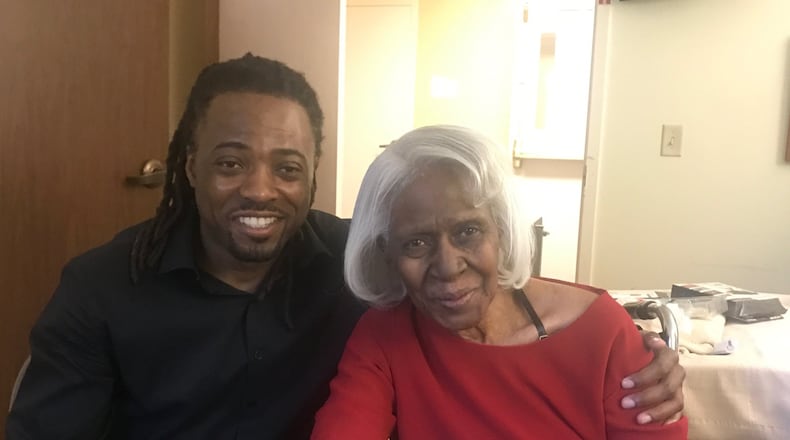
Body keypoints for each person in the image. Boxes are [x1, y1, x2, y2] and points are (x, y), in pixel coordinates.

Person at [7, 55, 683, 440]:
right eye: (231, 162)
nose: (261, 190)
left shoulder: (359, 268)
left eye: (288, 167)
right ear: (187, 165)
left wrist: (644, 352)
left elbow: (488, 298)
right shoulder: (101, 289)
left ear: (314, 175)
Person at [311, 125, 688, 439]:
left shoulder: (602, 332)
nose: (448, 266)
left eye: (468, 231)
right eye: (416, 242)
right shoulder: (384, 336)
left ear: (502, 232)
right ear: (387, 253)